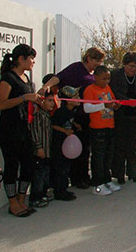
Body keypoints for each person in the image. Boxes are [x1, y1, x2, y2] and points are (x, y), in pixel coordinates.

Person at [39, 47, 106, 189]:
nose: (98, 65)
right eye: (97, 61)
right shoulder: (75, 68)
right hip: (73, 115)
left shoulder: (92, 74)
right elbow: (58, 77)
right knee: (74, 150)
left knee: (85, 149)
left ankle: (83, 176)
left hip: (87, 115)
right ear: (89, 58)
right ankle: (75, 179)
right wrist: (45, 87)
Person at [0, 44, 42, 217]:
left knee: (28, 165)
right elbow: (2, 104)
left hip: (24, 128)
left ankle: (22, 199)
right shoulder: (8, 78)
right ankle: (13, 203)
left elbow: (26, 103)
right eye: (31, 58)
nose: (33, 62)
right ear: (21, 59)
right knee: (12, 166)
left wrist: (35, 103)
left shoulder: (27, 79)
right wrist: (24, 97)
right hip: (8, 129)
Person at [110, 52, 136, 184]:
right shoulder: (115, 75)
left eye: (135, 66)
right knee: (120, 146)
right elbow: (113, 91)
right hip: (120, 114)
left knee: (134, 146)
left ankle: (134, 174)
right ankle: (119, 175)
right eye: (130, 66)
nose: (133, 69)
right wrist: (127, 100)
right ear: (124, 64)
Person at [83, 66, 121, 195]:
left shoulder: (107, 88)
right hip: (97, 127)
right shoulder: (90, 89)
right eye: (104, 78)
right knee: (98, 157)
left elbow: (112, 101)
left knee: (108, 155)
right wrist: (103, 105)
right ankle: (97, 184)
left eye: (108, 78)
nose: (106, 81)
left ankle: (107, 180)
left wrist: (115, 105)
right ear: (96, 77)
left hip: (109, 125)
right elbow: (87, 108)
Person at [51, 86, 81, 201]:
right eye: (76, 97)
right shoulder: (61, 112)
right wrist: (65, 131)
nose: (79, 98)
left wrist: (76, 125)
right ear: (68, 100)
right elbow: (53, 125)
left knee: (65, 167)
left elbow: (69, 122)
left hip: (67, 145)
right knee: (60, 168)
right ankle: (59, 192)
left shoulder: (71, 111)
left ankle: (63, 189)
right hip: (59, 144)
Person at [29, 92, 55, 208]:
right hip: (40, 151)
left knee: (46, 174)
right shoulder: (38, 115)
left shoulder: (47, 115)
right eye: (49, 100)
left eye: (53, 100)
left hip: (48, 151)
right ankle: (35, 198)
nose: (52, 103)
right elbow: (34, 132)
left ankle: (43, 194)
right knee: (38, 176)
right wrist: (38, 147)